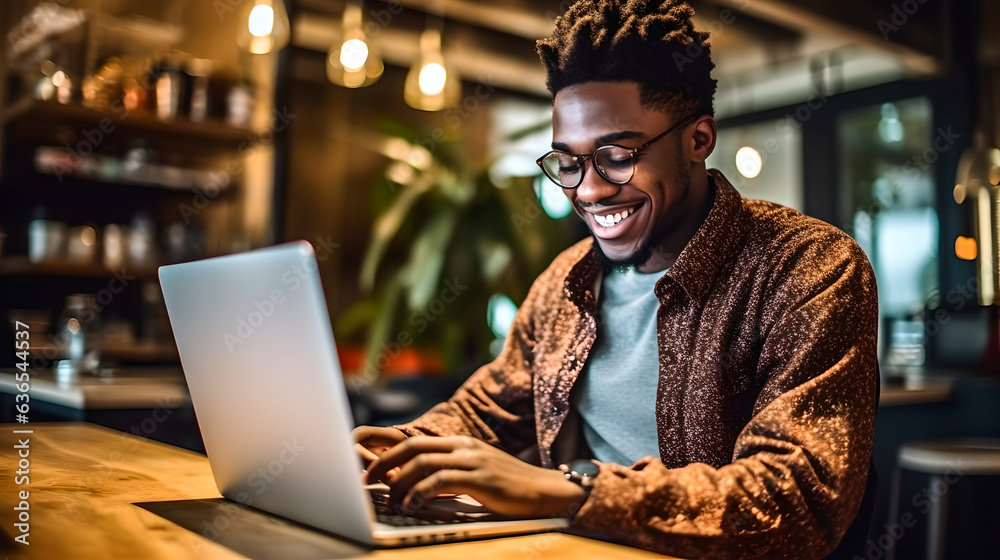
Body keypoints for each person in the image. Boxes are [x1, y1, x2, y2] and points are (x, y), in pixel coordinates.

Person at [355, 1, 879, 557]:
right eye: (569, 162)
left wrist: (569, 492)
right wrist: (401, 448)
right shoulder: (564, 281)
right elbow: (486, 411)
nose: (589, 190)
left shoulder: (809, 268)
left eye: (618, 155)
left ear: (699, 139)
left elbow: (796, 499)